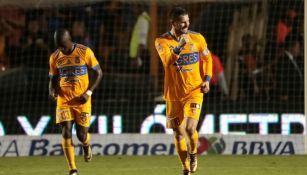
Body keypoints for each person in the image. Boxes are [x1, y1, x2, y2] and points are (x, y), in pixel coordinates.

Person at [155, 6, 212, 175]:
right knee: (178, 133)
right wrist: (179, 47)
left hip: (194, 91)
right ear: (173, 23)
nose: (186, 25)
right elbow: (167, 61)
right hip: (173, 94)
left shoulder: (197, 38)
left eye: (187, 21)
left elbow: (207, 58)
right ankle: (185, 168)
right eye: (182, 23)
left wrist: (207, 79)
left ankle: (193, 153)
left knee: (189, 129)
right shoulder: (162, 41)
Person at [48, 29, 103, 175]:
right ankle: (73, 170)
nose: (60, 49)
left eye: (62, 45)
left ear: (68, 40)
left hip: (82, 100)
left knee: (81, 135)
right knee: (66, 131)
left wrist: (89, 92)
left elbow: (99, 73)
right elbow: (53, 78)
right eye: (58, 46)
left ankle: (86, 145)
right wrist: (51, 90)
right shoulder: (54, 57)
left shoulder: (84, 52)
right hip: (64, 100)